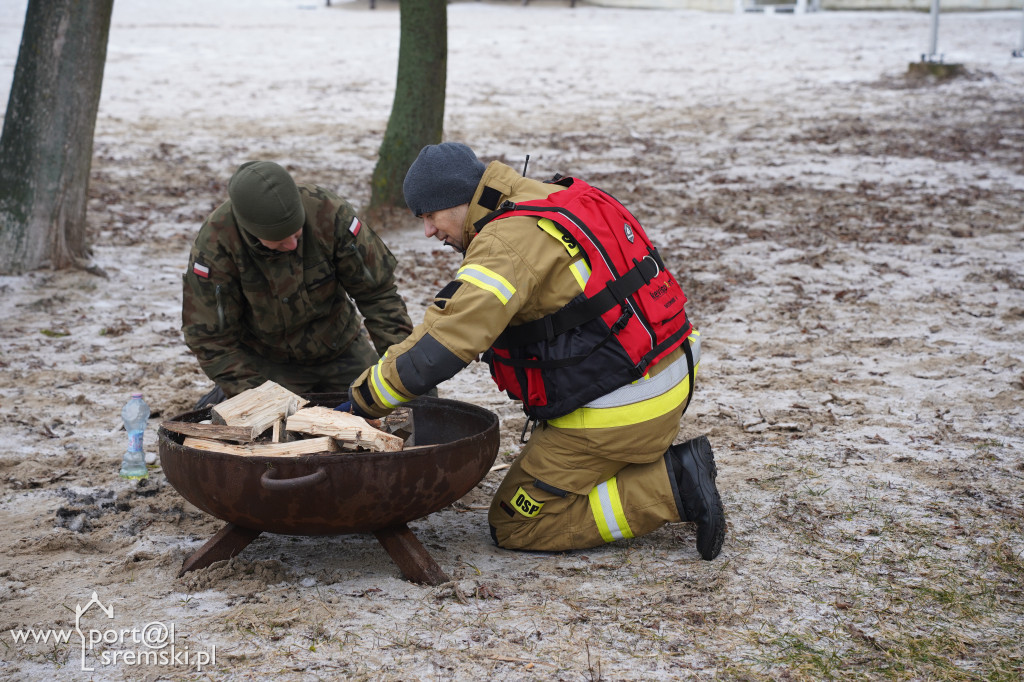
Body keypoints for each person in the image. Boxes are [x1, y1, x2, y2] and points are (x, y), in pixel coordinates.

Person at [343, 142, 725, 560]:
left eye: (430, 215)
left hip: (621, 408)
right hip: (669, 375)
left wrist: (364, 400)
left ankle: (673, 486)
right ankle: (635, 459)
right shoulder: (550, 197)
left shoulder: (506, 244)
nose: (429, 231)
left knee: (518, 521)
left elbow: (443, 344)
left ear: (459, 201)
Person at [182, 161, 413, 406]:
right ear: (251, 231)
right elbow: (210, 339)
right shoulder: (216, 246)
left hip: (340, 348)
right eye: (280, 240)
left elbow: (379, 296)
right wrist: (252, 396)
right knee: (270, 431)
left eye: (297, 234)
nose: (292, 245)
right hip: (267, 362)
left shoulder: (329, 213)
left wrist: (405, 376)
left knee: (387, 406)